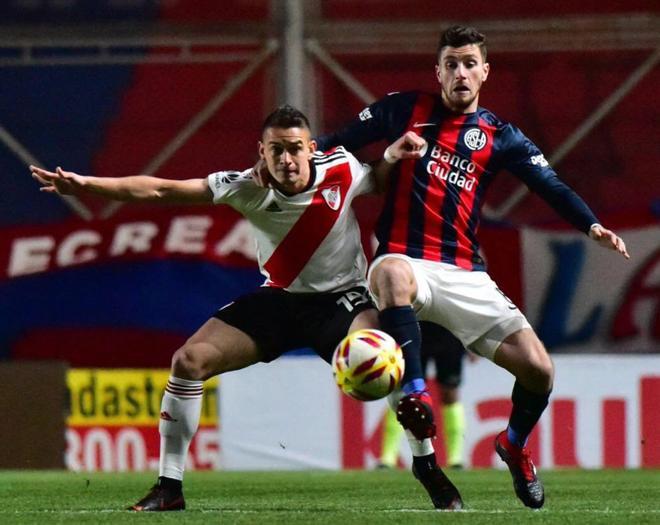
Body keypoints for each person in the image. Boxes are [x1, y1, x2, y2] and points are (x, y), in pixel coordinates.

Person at [30, 105, 461, 511]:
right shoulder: (243, 186)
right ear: (262, 152)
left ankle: (427, 465)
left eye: (295, 148)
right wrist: (86, 185)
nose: (287, 159)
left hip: (341, 299)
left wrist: (389, 154)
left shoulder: (342, 169)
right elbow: (162, 188)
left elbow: (381, 180)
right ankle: (169, 486)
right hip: (278, 300)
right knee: (189, 360)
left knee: (385, 356)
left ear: (312, 148)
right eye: (277, 150)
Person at [316, 25, 629, 509]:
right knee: (388, 274)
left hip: (464, 272)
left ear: (485, 72)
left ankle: (514, 445)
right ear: (437, 71)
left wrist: (591, 226)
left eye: (469, 63)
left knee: (540, 371)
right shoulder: (402, 109)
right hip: (407, 258)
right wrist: (294, 159)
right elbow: (335, 143)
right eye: (451, 64)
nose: (460, 72)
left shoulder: (500, 136)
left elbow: (551, 186)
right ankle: (416, 394)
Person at [379, 322, 471, 470]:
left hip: (449, 331)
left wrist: (471, 336)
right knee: (404, 393)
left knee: (450, 392)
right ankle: (387, 457)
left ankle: (455, 458)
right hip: (415, 327)